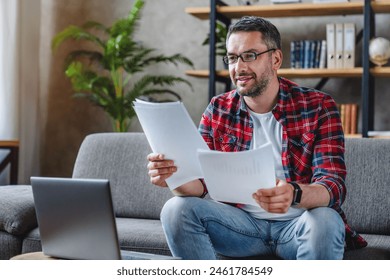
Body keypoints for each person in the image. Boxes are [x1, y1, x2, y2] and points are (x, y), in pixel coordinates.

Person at [146, 16, 367, 260]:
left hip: (300, 226)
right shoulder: (218, 108)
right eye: (232, 57)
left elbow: (332, 186)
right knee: (176, 209)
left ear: (275, 59)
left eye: (249, 55)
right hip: (240, 228)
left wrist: (293, 193)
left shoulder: (318, 106)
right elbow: (200, 186)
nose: (239, 68)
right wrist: (174, 176)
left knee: (326, 219)